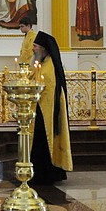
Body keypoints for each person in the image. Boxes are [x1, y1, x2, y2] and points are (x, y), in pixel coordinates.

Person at [29, 31, 73, 185]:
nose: (33, 49)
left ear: (43, 48)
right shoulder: (41, 63)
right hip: (38, 109)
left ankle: (46, 175)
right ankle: (37, 173)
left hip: (47, 111)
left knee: (44, 141)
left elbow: (47, 88)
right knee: (38, 142)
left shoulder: (49, 66)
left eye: (35, 46)